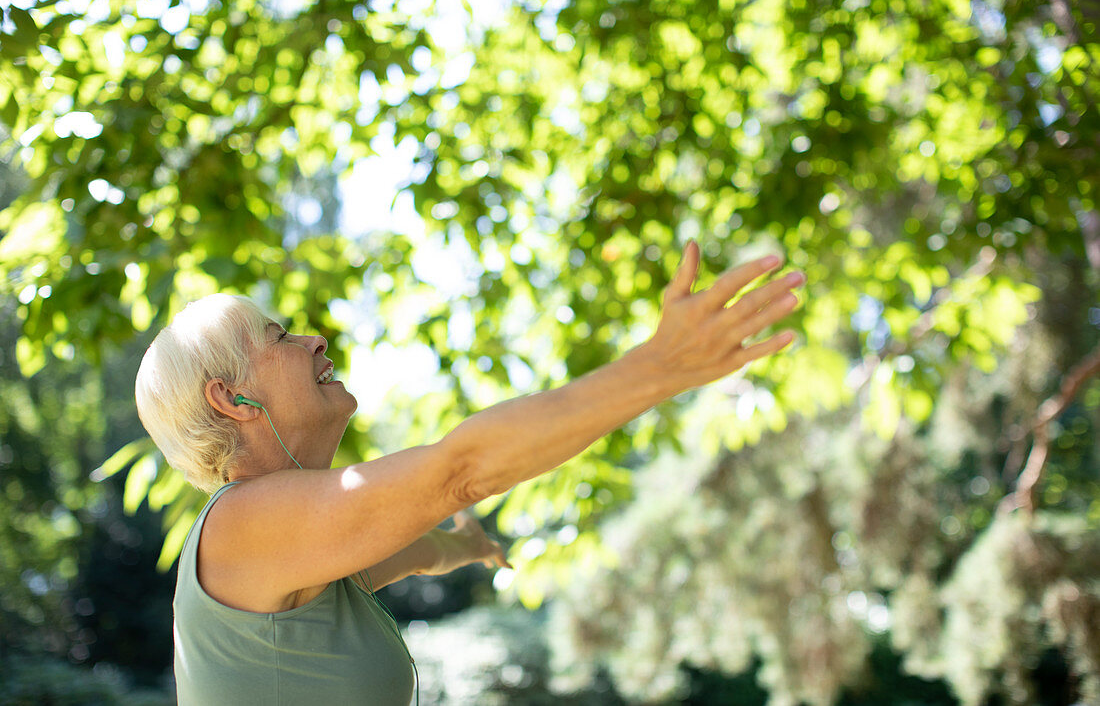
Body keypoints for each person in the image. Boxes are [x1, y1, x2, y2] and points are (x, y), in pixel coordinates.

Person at [134, 240, 804, 705]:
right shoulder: (243, 525)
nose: (315, 339)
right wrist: (661, 366)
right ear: (231, 398)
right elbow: (459, 471)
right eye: (278, 336)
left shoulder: (311, 554)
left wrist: (469, 545)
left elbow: (422, 544)